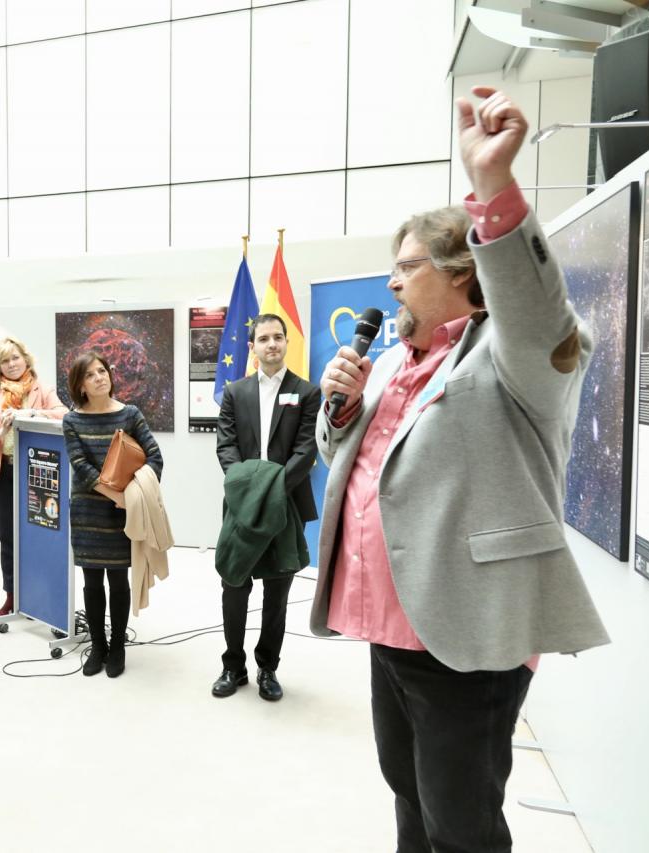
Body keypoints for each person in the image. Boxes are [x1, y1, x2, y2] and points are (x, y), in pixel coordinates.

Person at [311, 87, 609, 853]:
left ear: (465, 277)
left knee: (463, 825)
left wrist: (493, 194)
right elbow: (343, 457)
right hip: (388, 625)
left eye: (407, 268)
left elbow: (539, 316)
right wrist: (340, 410)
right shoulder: (387, 364)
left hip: (464, 634)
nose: (391, 283)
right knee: (408, 795)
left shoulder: (512, 361)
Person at [212, 313, 320, 702]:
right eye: (263, 338)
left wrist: (270, 489)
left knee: (277, 591)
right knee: (234, 584)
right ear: (252, 346)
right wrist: (247, 488)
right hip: (241, 503)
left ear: (286, 343)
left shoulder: (306, 393)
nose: (271, 344)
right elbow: (226, 447)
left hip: (285, 504)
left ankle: (268, 668)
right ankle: (233, 666)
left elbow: (306, 450)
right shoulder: (235, 392)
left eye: (277, 337)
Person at [61, 352, 162, 678]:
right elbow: (82, 467)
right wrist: (117, 496)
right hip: (89, 510)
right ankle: (99, 646)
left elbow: (155, 458)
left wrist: (131, 496)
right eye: (90, 375)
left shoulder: (130, 414)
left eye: (102, 371)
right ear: (80, 385)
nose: (99, 378)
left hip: (123, 513)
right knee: (91, 581)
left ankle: (117, 646)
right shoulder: (72, 420)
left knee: (119, 579)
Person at [0, 337, 66, 621]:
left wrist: (30, 413)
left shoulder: (42, 389)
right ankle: (12, 597)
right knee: (9, 538)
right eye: (5, 360)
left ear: (25, 359)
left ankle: (45, 599)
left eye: (15, 357)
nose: (12, 364)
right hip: (3, 473)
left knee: (41, 536)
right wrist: (0, 433)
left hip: (37, 474)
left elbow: (64, 416)